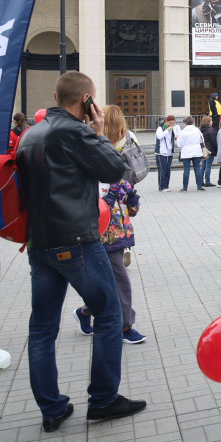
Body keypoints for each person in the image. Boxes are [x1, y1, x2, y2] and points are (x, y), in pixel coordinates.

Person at [17, 71, 146, 431]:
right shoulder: (75, 132)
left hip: (40, 243)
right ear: (87, 100)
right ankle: (103, 399)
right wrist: (99, 129)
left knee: (42, 328)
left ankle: (52, 408)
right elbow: (115, 169)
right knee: (109, 315)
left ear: (56, 96)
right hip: (76, 240)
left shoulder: (31, 134)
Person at [76, 105, 148, 345]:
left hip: (116, 227)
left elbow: (127, 190)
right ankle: (124, 326)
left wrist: (129, 197)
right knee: (116, 280)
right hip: (97, 227)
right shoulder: (89, 150)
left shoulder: (119, 148)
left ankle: (89, 312)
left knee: (112, 279)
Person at [176, 115, 206, 190]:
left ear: (185, 123)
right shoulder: (197, 130)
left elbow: (179, 144)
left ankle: (185, 187)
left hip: (186, 152)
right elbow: (202, 141)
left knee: (186, 169)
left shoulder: (182, 132)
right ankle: (199, 186)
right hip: (196, 151)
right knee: (197, 168)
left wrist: (177, 139)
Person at [153, 115, 177, 190]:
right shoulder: (160, 128)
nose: (171, 125)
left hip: (170, 152)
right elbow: (159, 136)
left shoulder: (173, 129)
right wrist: (167, 130)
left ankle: (166, 186)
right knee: (162, 169)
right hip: (161, 152)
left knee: (168, 169)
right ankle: (162, 187)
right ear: (166, 121)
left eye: (173, 123)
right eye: (170, 123)